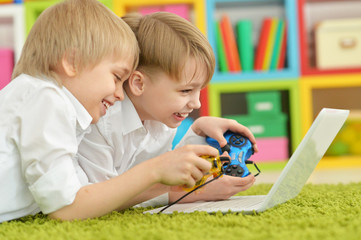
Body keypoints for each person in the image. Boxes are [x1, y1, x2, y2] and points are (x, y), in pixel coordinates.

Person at [0, 0, 218, 222]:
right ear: (72, 62)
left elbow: (83, 192)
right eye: (116, 77)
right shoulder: (46, 99)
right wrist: (156, 171)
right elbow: (67, 207)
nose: (120, 94)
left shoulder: (61, 110)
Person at [77, 12, 258, 208]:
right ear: (138, 83)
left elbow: (161, 173)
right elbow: (100, 199)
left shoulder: (160, 119)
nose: (196, 103)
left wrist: (197, 132)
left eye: (199, 90)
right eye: (186, 90)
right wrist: (189, 192)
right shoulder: (101, 122)